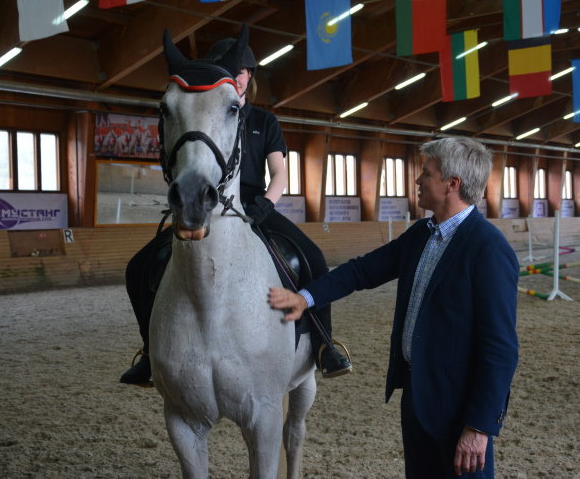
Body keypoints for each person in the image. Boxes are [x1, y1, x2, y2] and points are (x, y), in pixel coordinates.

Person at [268, 137, 519, 478]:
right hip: (417, 398)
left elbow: (501, 349)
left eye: (426, 173)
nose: (417, 180)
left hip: (461, 412)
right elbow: (362, 270)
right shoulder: (422, 234)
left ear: (452, 184)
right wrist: (306, 297)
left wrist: (479, 426)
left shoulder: (489, 248)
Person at [120, 34, 352, 386]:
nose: (239, 76)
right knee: (138, 267)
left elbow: (280, 174)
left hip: (255, 207)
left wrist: (266, 204)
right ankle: (150, 352)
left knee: (314, 258)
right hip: (205, 206)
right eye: (233, 70)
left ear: (250, 76)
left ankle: (323, 344)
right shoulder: (203, 113)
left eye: (244, 71)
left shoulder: (263, 120)